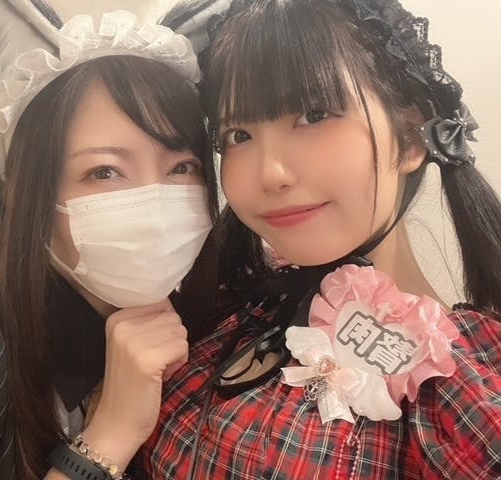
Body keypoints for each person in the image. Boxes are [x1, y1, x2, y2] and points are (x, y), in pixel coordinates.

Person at [137, 0, 501, 478]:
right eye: (238, 135)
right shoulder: (221, 311)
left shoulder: (460, 388)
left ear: (411, 137)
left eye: (314, 114)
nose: (271, 174)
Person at [0, 2, 221, 479]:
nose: (154, 205)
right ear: (24, 189)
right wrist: (109, 437)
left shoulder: (210, 333)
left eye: (182, 167)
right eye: (104, 171)